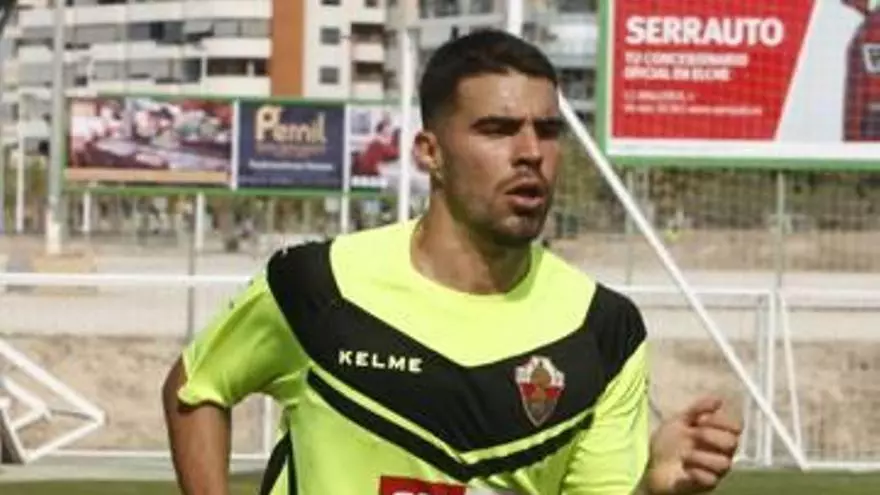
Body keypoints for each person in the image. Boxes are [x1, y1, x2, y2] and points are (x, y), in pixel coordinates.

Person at [162, 30, 741, 495]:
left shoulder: (602, 330)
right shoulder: (320, 286)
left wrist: (655, 490)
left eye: (547, 131)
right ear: (430, 152)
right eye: (498, 130)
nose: (530, 153)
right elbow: (196, 388)